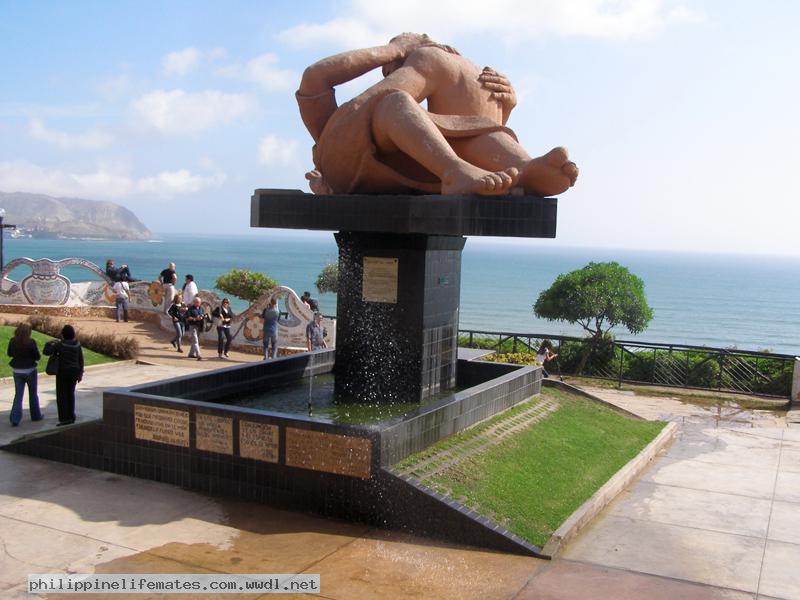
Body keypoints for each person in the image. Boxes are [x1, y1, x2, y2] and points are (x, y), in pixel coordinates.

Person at [297, 33, 578, 197]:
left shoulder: (413, 135)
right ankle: (454, 171)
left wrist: (506, 105)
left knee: (462, 130)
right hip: (344, 166)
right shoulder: (336, 129)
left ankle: (523, 169)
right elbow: (314, 77)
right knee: (397, 100)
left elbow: (464, 131)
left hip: (414, 169)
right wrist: (396, 50)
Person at [43, 324, 84, 426]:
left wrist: (49, 343)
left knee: (62, 396)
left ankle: (64, 418)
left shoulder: (60, 345)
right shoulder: (77, 344)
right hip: (74, 372)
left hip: (63, 372)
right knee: (70, 394)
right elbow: (81, 360)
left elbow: (46, 352)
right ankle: (71, 415)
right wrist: (80, 373)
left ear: (63, 334)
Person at [7, 322, 43, 426]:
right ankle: (36, 416)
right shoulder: (31, 342)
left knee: (18, 395)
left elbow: (9, 354)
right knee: (33, 394)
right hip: (30, 370)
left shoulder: (13, 341)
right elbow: (37, 356)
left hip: (17, 370)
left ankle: (15, 419)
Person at [184, 296, 205, 361]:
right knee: (195, 340)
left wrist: (202, 317)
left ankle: (191, 354)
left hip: (199, 326)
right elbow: (187, 317)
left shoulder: (201, 308)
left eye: (199, 302)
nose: (198, 303)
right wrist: (195, 318)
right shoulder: (191, 309)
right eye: (196, 302)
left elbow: (203, 314)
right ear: (194, 302)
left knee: (195, 340)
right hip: (192, 326)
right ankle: (199, 354)